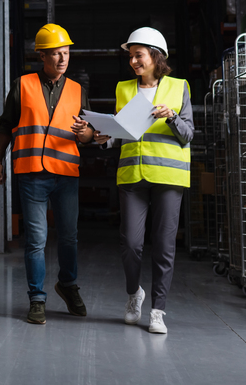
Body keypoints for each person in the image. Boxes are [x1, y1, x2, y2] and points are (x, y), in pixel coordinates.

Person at [73, 26, 193, 335]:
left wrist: (172, 117)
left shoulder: (179, 88)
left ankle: (157, 310)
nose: (133, 62)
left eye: (138, 56)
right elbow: (122, 134)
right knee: (130, 243)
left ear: (155, 57)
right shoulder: (123, 89)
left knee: (164, 246)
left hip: (168, 175)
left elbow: (188, 134)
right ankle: (133, 294)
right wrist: (103, 137)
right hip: (132, 174)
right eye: (130, 57)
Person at [0, 24, 98, 325]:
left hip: (65, 174)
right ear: (41, 55)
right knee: (36, 240)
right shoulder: (23, 84)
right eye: (56, 53)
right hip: (31, 174)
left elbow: (90, 134)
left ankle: (67, 286)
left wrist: (86, 134)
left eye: (66, 52)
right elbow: (5, 125)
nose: (63, 59)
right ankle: (37, 299)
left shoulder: (78, 90)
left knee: (68, 237)